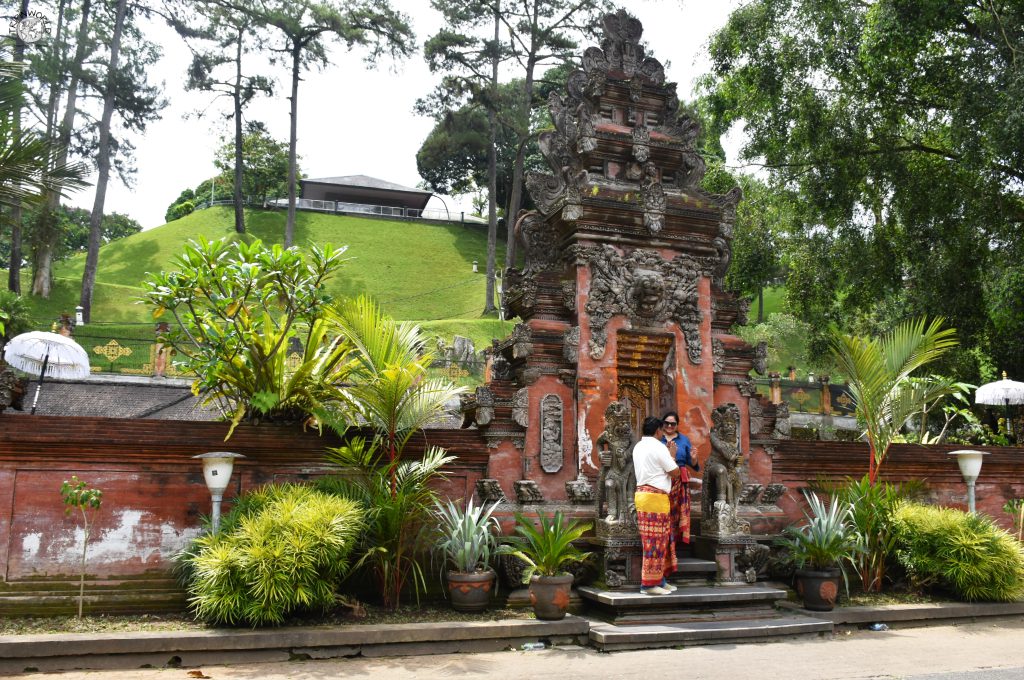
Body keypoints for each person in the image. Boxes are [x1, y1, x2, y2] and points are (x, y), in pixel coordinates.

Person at [632, 415, 681, 595]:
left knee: (659, 541)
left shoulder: (638, 446)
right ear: (658, 430)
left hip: (643, 496)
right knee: (655, 542)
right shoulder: (658, 447)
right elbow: (674, 472)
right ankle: (649, 585)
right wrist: (672, 456)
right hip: (655, 498)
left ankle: (659, 580)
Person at [661, 411, 700, 546]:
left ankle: (676, 540)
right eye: (667, 423)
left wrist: (694, 459)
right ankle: (665, 537)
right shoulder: (658, 439)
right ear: (662, 423)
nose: (670, 426)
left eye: (673, 423)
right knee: (666, 508)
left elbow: (692, 463)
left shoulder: (684, 440)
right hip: (663, 478)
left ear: (677, 425)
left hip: (680, 477)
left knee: (679, 509)